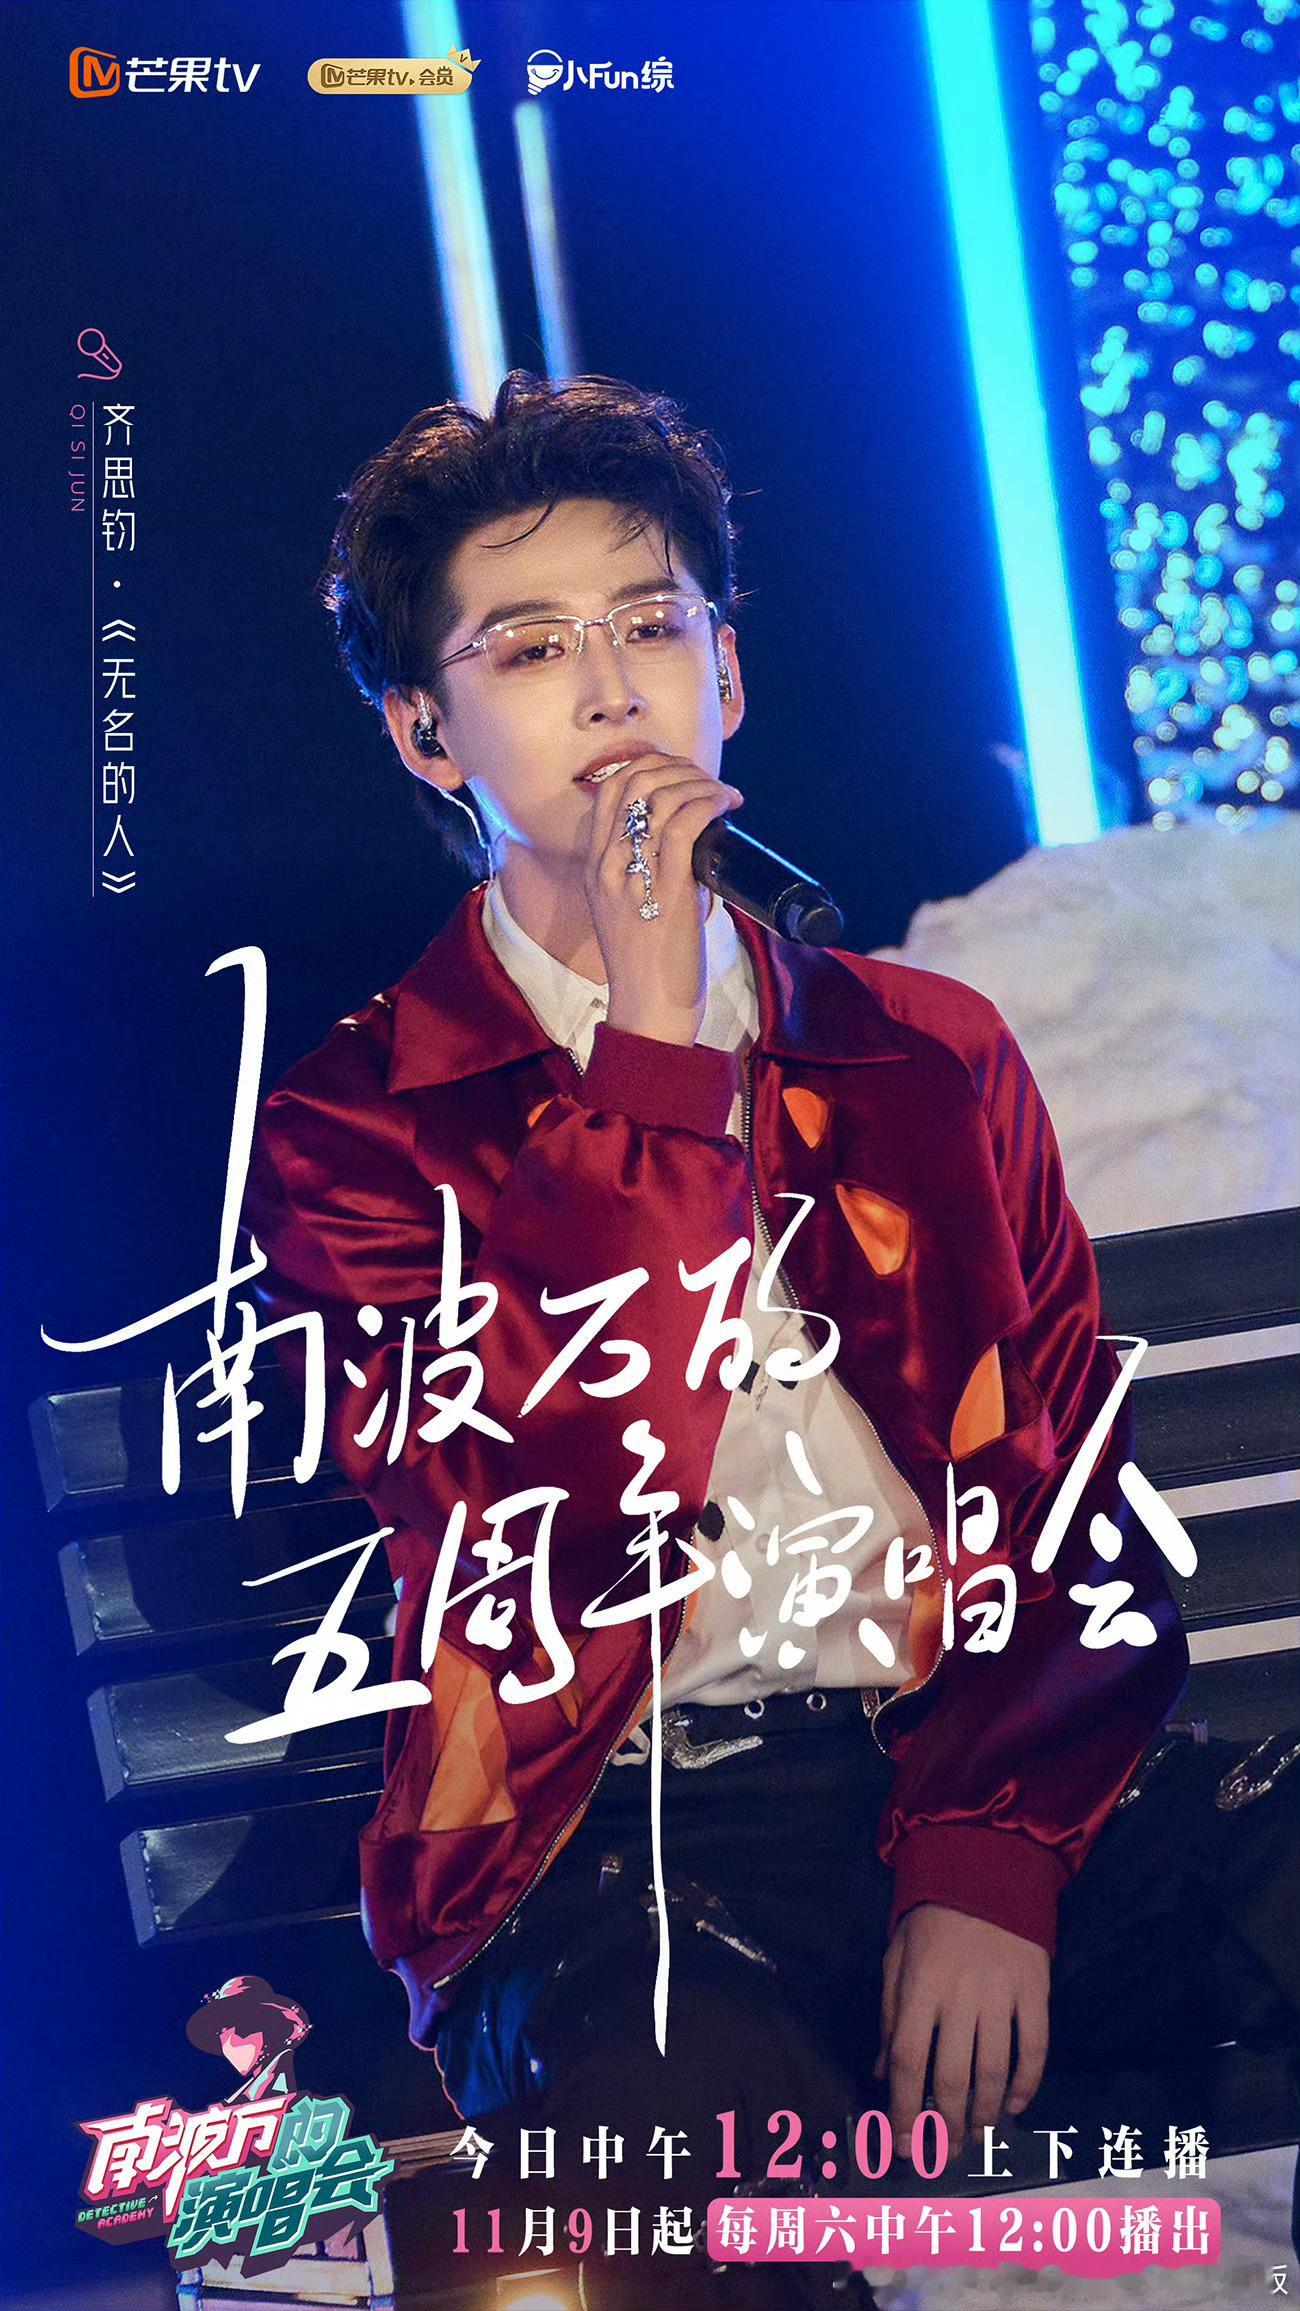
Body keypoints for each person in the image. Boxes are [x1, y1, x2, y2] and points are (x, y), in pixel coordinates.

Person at [244, 373, 1298, 2306]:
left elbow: (1064, 1492)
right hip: (612, 1855)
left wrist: (987, 1855)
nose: (613, 690)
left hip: (968, 1779)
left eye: (653, 626)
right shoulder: (356, 1127)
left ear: (728, 672)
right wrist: (651, 1048)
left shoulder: (920, 1054)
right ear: (424, 731)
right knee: (701, 2217)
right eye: (530, 648)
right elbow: (555, 1509)